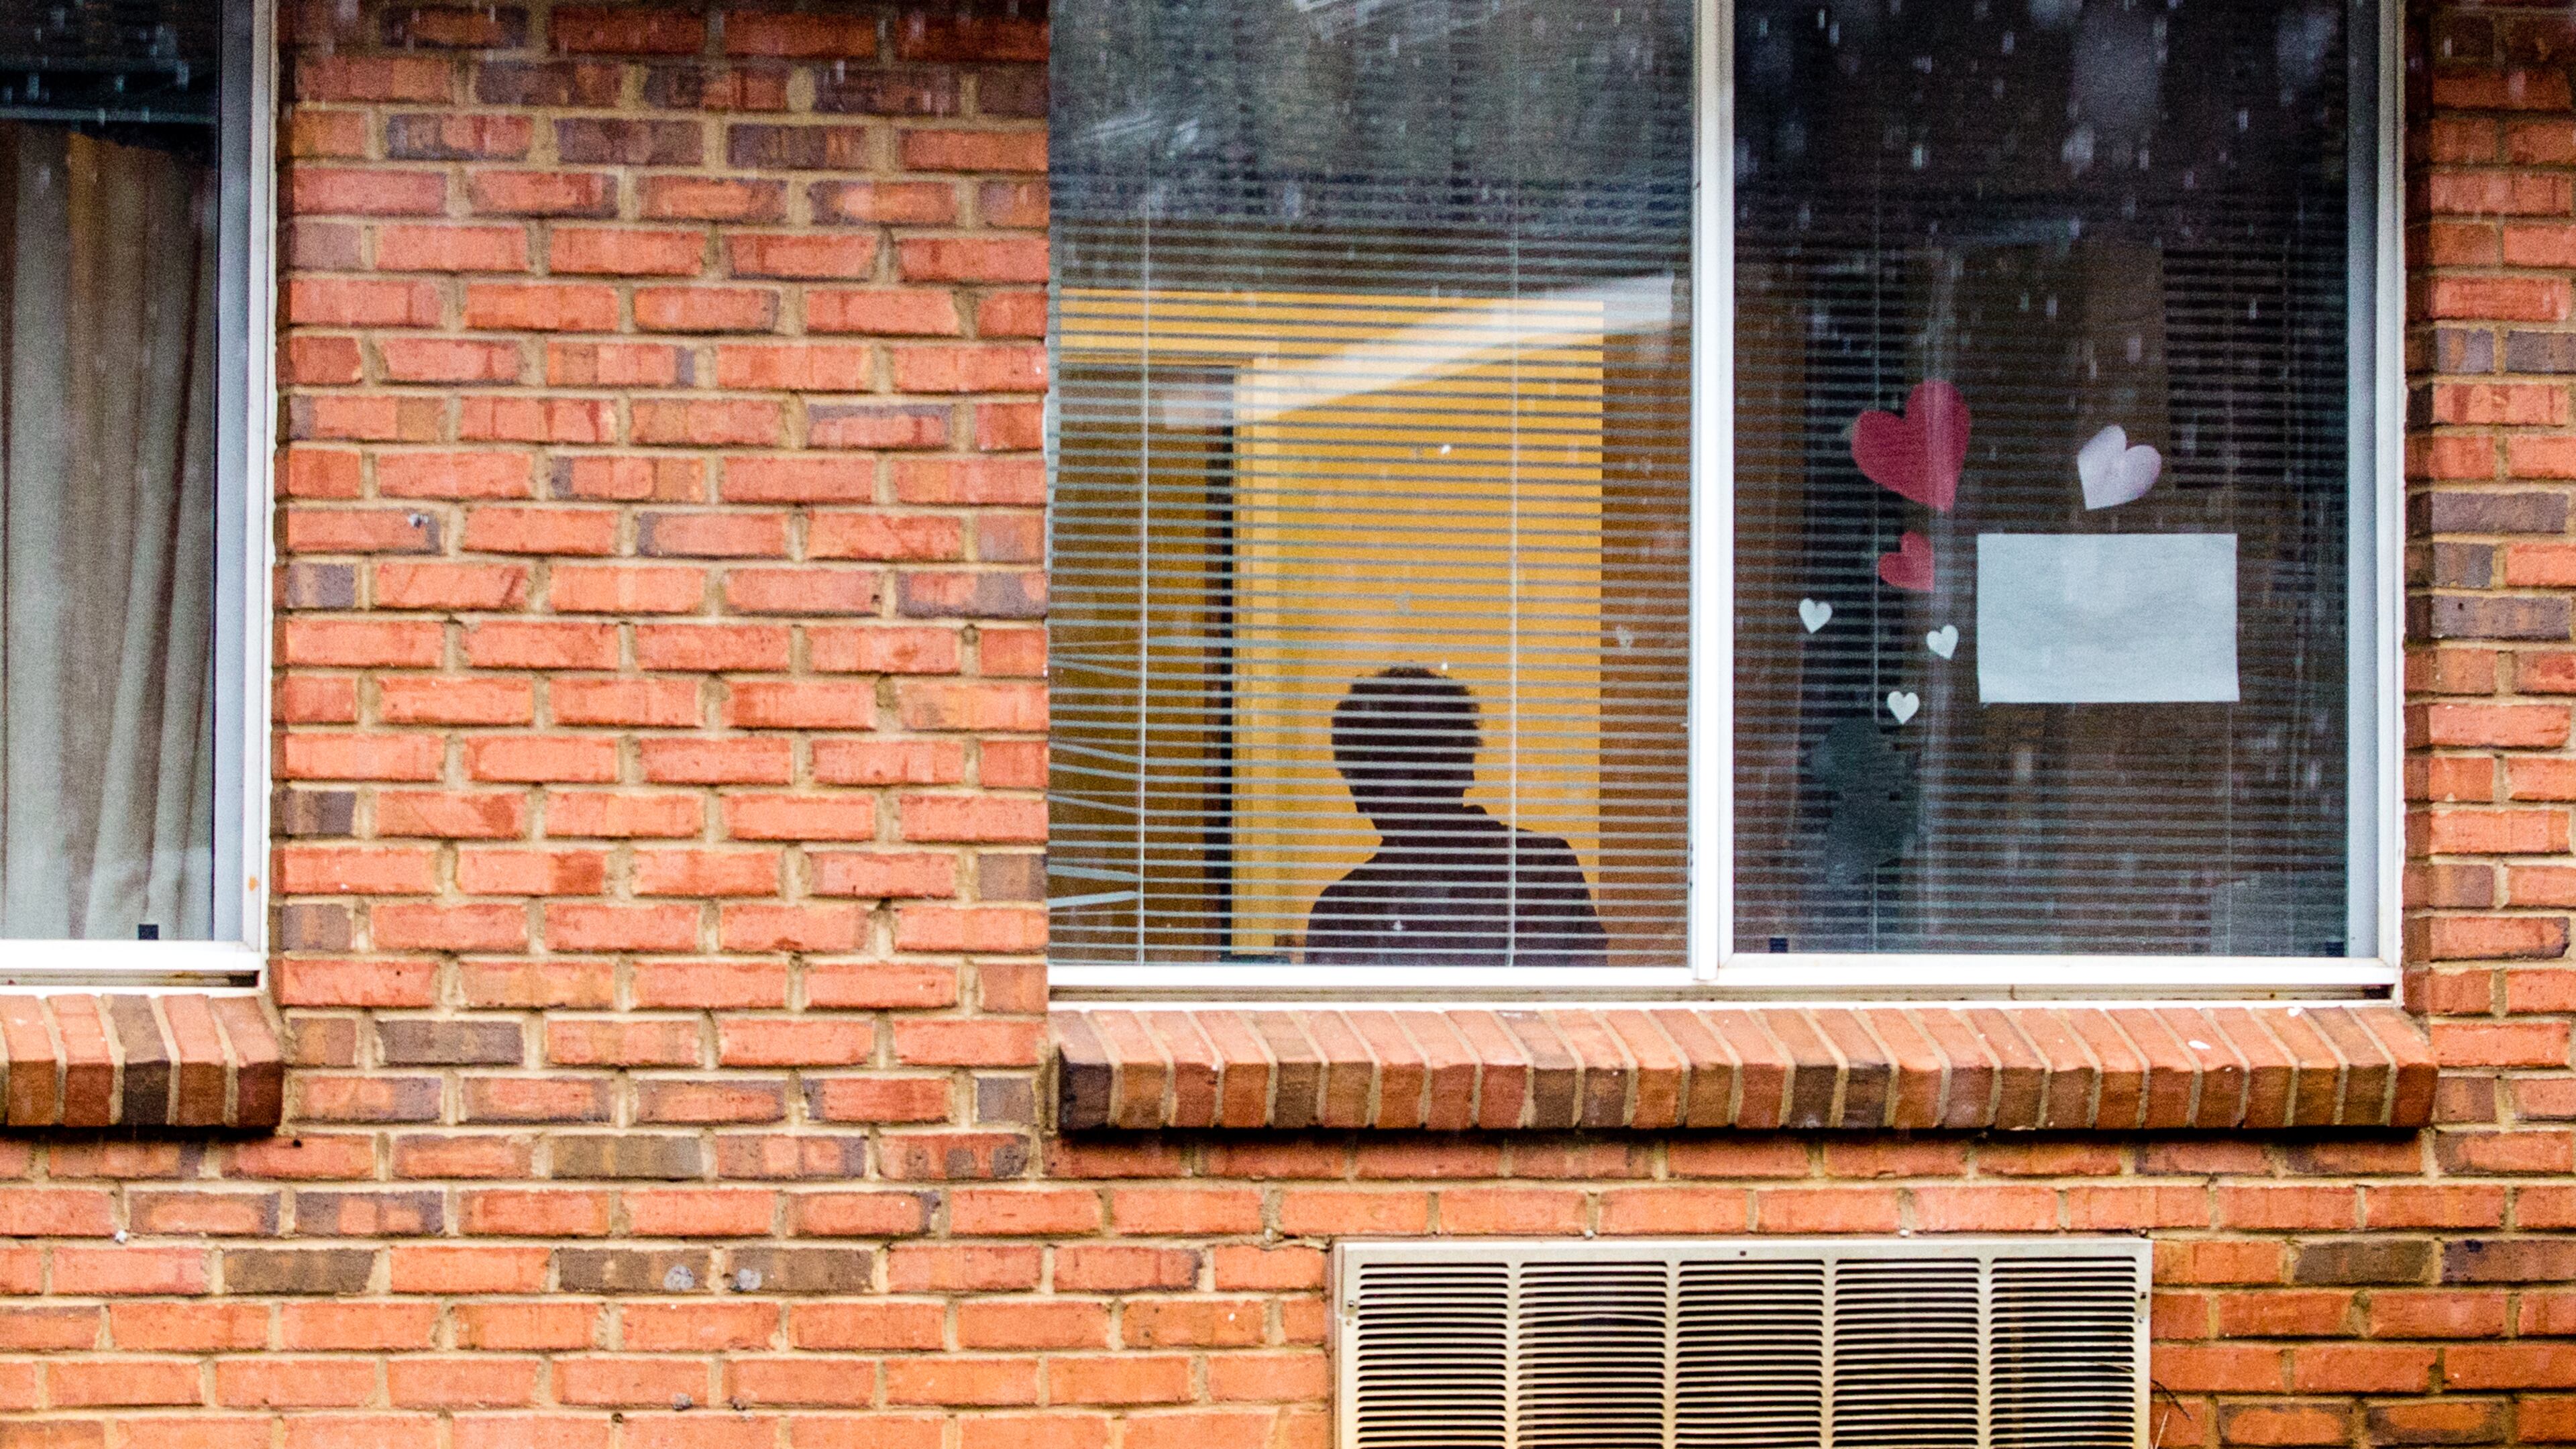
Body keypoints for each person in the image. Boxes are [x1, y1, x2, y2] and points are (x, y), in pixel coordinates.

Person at [1302, 667, 1609, 968]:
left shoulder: (1541, 872)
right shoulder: (1340, 912)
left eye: (1427, 762)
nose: (1413, 785)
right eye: (1374, 772)